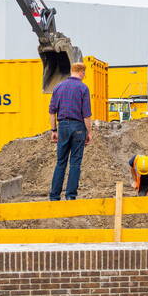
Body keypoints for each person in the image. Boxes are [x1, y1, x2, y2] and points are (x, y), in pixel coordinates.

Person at [48, 62, 92, 201]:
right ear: (81, 72)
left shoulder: (58, 87)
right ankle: (70, 196)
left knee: (61, 162)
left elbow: (51, 112)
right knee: (75, 163)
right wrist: (89, 132)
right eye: (84, 73)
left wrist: (54, 130)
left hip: (63, 127)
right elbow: (86, 115)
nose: (84, 75)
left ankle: (54, 196)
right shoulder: (83, 88)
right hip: (78, 127)